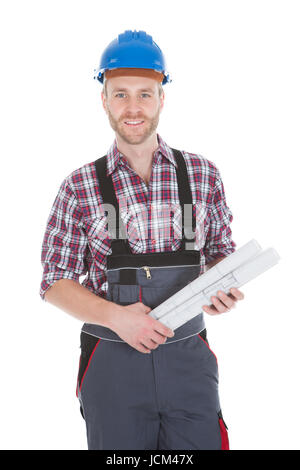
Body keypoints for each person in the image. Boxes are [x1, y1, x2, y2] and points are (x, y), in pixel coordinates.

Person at [40, 29, 245, 450]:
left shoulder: (202, 174)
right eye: (120, 94)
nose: (133, 108)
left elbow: (223, 252)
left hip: (190, 366)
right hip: (112, 372)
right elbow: (53, 282)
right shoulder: (79, 186)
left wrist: (223, 288)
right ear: (104, 98)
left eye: (144, 94)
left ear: (162, 97)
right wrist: (116, 316)